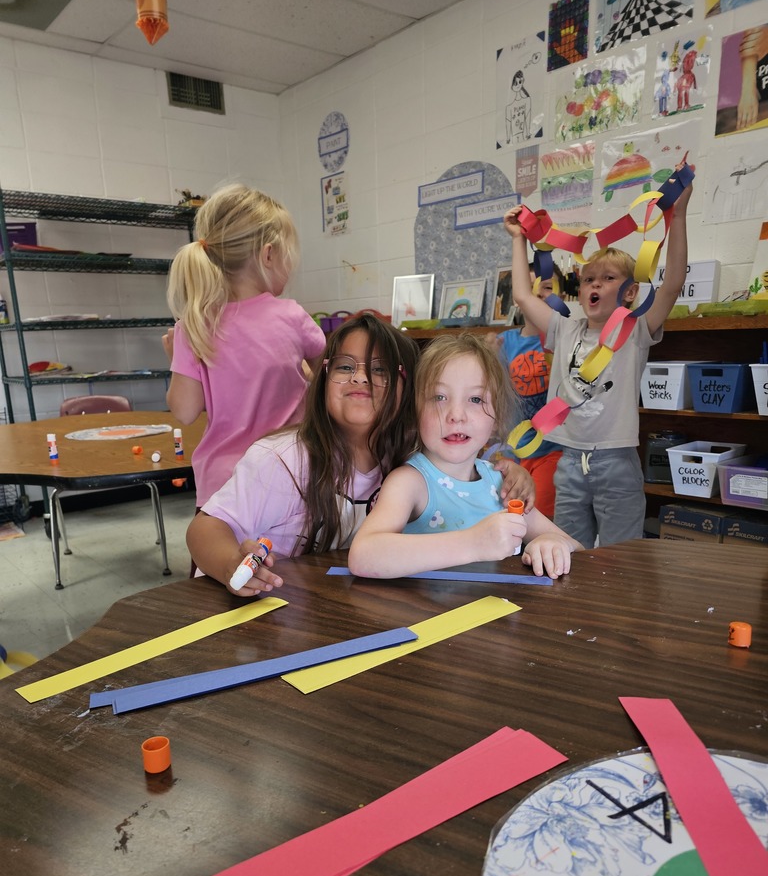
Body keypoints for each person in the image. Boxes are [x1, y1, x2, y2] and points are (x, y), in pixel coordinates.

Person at [187, 315, 536, 596]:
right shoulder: (279, 459)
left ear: (411, 393)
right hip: (251, 610)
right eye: (344, 367)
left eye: (381, 370)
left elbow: (463, 467)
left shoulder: (409, 454)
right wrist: (230, 562)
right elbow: (204, 528)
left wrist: (509, 472)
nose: (360, 377)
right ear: (324, 379)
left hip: (335, 614)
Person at [502, 165, 692, 549]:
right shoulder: (564, 328)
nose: (595, 284)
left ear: (628, 293)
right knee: (570, 550)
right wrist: (518, 240)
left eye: (607, 279)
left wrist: (681, 215)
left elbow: (672, 283)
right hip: (569, 461)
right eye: (589, 278)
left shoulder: (635, 330)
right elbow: (523, 296)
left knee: (622, 555)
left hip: (616, 461)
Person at [347, 334, 581, 580]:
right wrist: (473, 543)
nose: (456, 415)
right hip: (426, 617)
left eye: (475, 399)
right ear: (415, 412)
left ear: (496, 420)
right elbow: (362, 556)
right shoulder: (410, 483)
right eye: (439, 397)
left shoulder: (500, 484)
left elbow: (574, 544)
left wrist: (551, 543)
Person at [162, 183, 327, 510]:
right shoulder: (292, 316)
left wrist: (177, 360)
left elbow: (184, 410)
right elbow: (326, 374)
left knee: (222, 560)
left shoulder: (193, 327)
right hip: (290, 475)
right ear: (268, 254)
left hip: (223, 486)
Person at [487, 263, 565, 519]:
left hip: (553, 451)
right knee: (508, 516)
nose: (538, 295)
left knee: (539, 518)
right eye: (530, 288)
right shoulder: (505, 342)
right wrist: (486, 358)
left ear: (561, 296)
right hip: (513, 451)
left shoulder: (568, 340)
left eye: (545, 287)